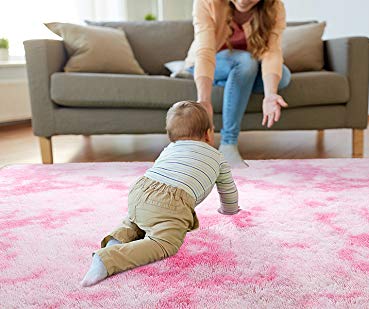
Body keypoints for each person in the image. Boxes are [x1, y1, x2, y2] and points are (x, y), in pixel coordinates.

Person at [81, 101, 239, 287]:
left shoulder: (169, 149)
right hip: (172, 203)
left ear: (171, 136)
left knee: (136, 220)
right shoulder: (218, 157)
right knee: (165, 242)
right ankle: (108, 259)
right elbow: (228, 190)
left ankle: (115, 242)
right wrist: (229, 209)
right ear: (208, 134)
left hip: (141, 190)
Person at [185, 0, 291, 168]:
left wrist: (270, 94)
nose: (243, 0)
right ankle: (228, 143)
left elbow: (272, 52)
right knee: (246, 61)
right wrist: (204, 100)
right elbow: (205, 51)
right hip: (211, 62)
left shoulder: (274, 6)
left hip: (247, 64)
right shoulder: (207, 2)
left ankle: (235, 80)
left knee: (283, 76)